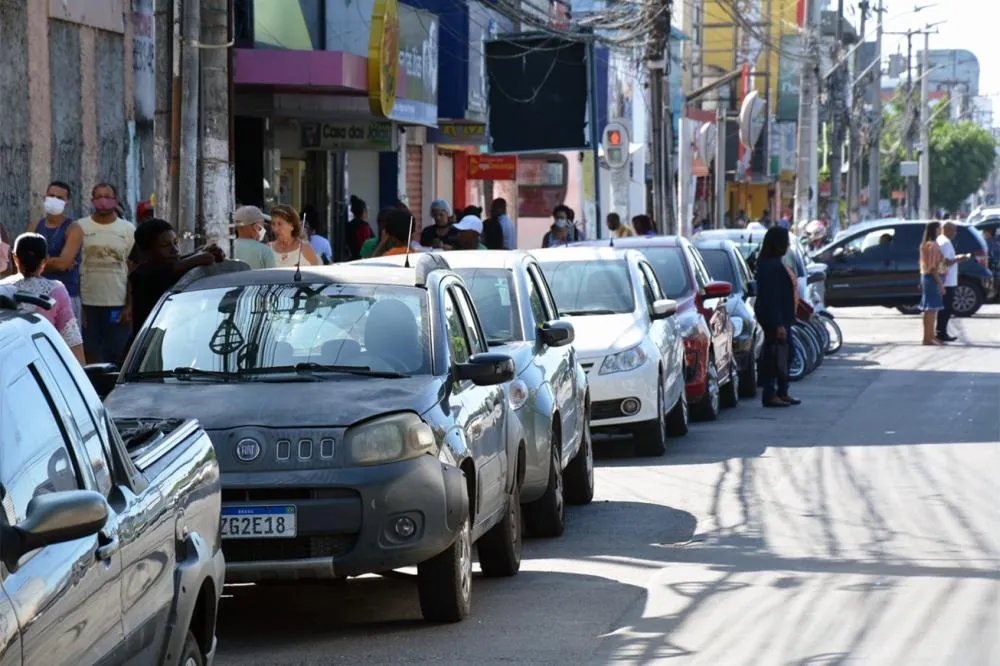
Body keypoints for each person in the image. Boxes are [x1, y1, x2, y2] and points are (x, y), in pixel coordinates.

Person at [128, 219, 223, 335]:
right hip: (150, 343)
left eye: (175, 242)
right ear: (148, 252)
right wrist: (205, 253)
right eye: (165, 245)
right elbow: (205, 258)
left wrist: (203, 251)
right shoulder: (145, 273)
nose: (175, 250)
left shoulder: (164, 267)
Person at [1, 233, 84, 363]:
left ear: (15, 258)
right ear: (45, 260)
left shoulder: (2, 288)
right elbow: (71, 338)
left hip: (8, 362)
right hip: (44, 365)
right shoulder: (56, 290)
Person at [77, 182, 135, 364]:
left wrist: (129, 305)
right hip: (88, 304)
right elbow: (75, 269)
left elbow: (133, 269)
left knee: (118, 354)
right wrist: (80, 307)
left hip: (117, 304)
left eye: (107, 197)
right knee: (89, 353)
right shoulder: (80, 227)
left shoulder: (127, 229)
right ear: (92, 200)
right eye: (99, 197)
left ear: (115, 200)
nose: (103, 201)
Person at [754, 227, 799, 408]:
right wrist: (778, 324)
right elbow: (771, 298)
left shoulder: (775, 263)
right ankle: (770, 393)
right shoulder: (770, 267)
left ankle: (782, 391)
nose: (787, 245)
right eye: (785, 241)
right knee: (774, 356)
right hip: (774, 319)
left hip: (782, 317)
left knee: (785, 354)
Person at [27, 180, 83, 322]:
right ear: (45, 197)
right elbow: (22, 260)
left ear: (67, 202)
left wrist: (35, 261)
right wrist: (54, 262)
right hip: (34, 295)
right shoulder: (35, 226)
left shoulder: (73, 228)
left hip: (64, 297)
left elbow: (63, 264)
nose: (54, 200)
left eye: (59, 198)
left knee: (65, 343)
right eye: (51, 196)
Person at [936, 222, 969, 342]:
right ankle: (941, 332)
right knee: (945, 308)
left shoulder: (943, 240)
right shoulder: (944, 242)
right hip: (946, 281)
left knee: (945, 308)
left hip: (947, 279)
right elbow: (943, 262)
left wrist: (956, 259)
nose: (955, 233)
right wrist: (958, 259)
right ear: (947, 229)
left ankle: (941, 331)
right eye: (954, 230)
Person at [919, 221, 946, 346]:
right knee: (931, 309)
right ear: (935, 229)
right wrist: (940, 284)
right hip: (932, 278)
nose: (941, 229)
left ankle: (929, 335)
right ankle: (928, 337)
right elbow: (933, 267)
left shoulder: (925, 244)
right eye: (939, 227)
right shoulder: (933, 245)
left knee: (929, 309)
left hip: (926, 278)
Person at [344, 196, 374, 260]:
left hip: (351, 258)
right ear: (364, 210)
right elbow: (366, 246)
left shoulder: (348, 225)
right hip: (362, 259)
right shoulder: (364, 226)